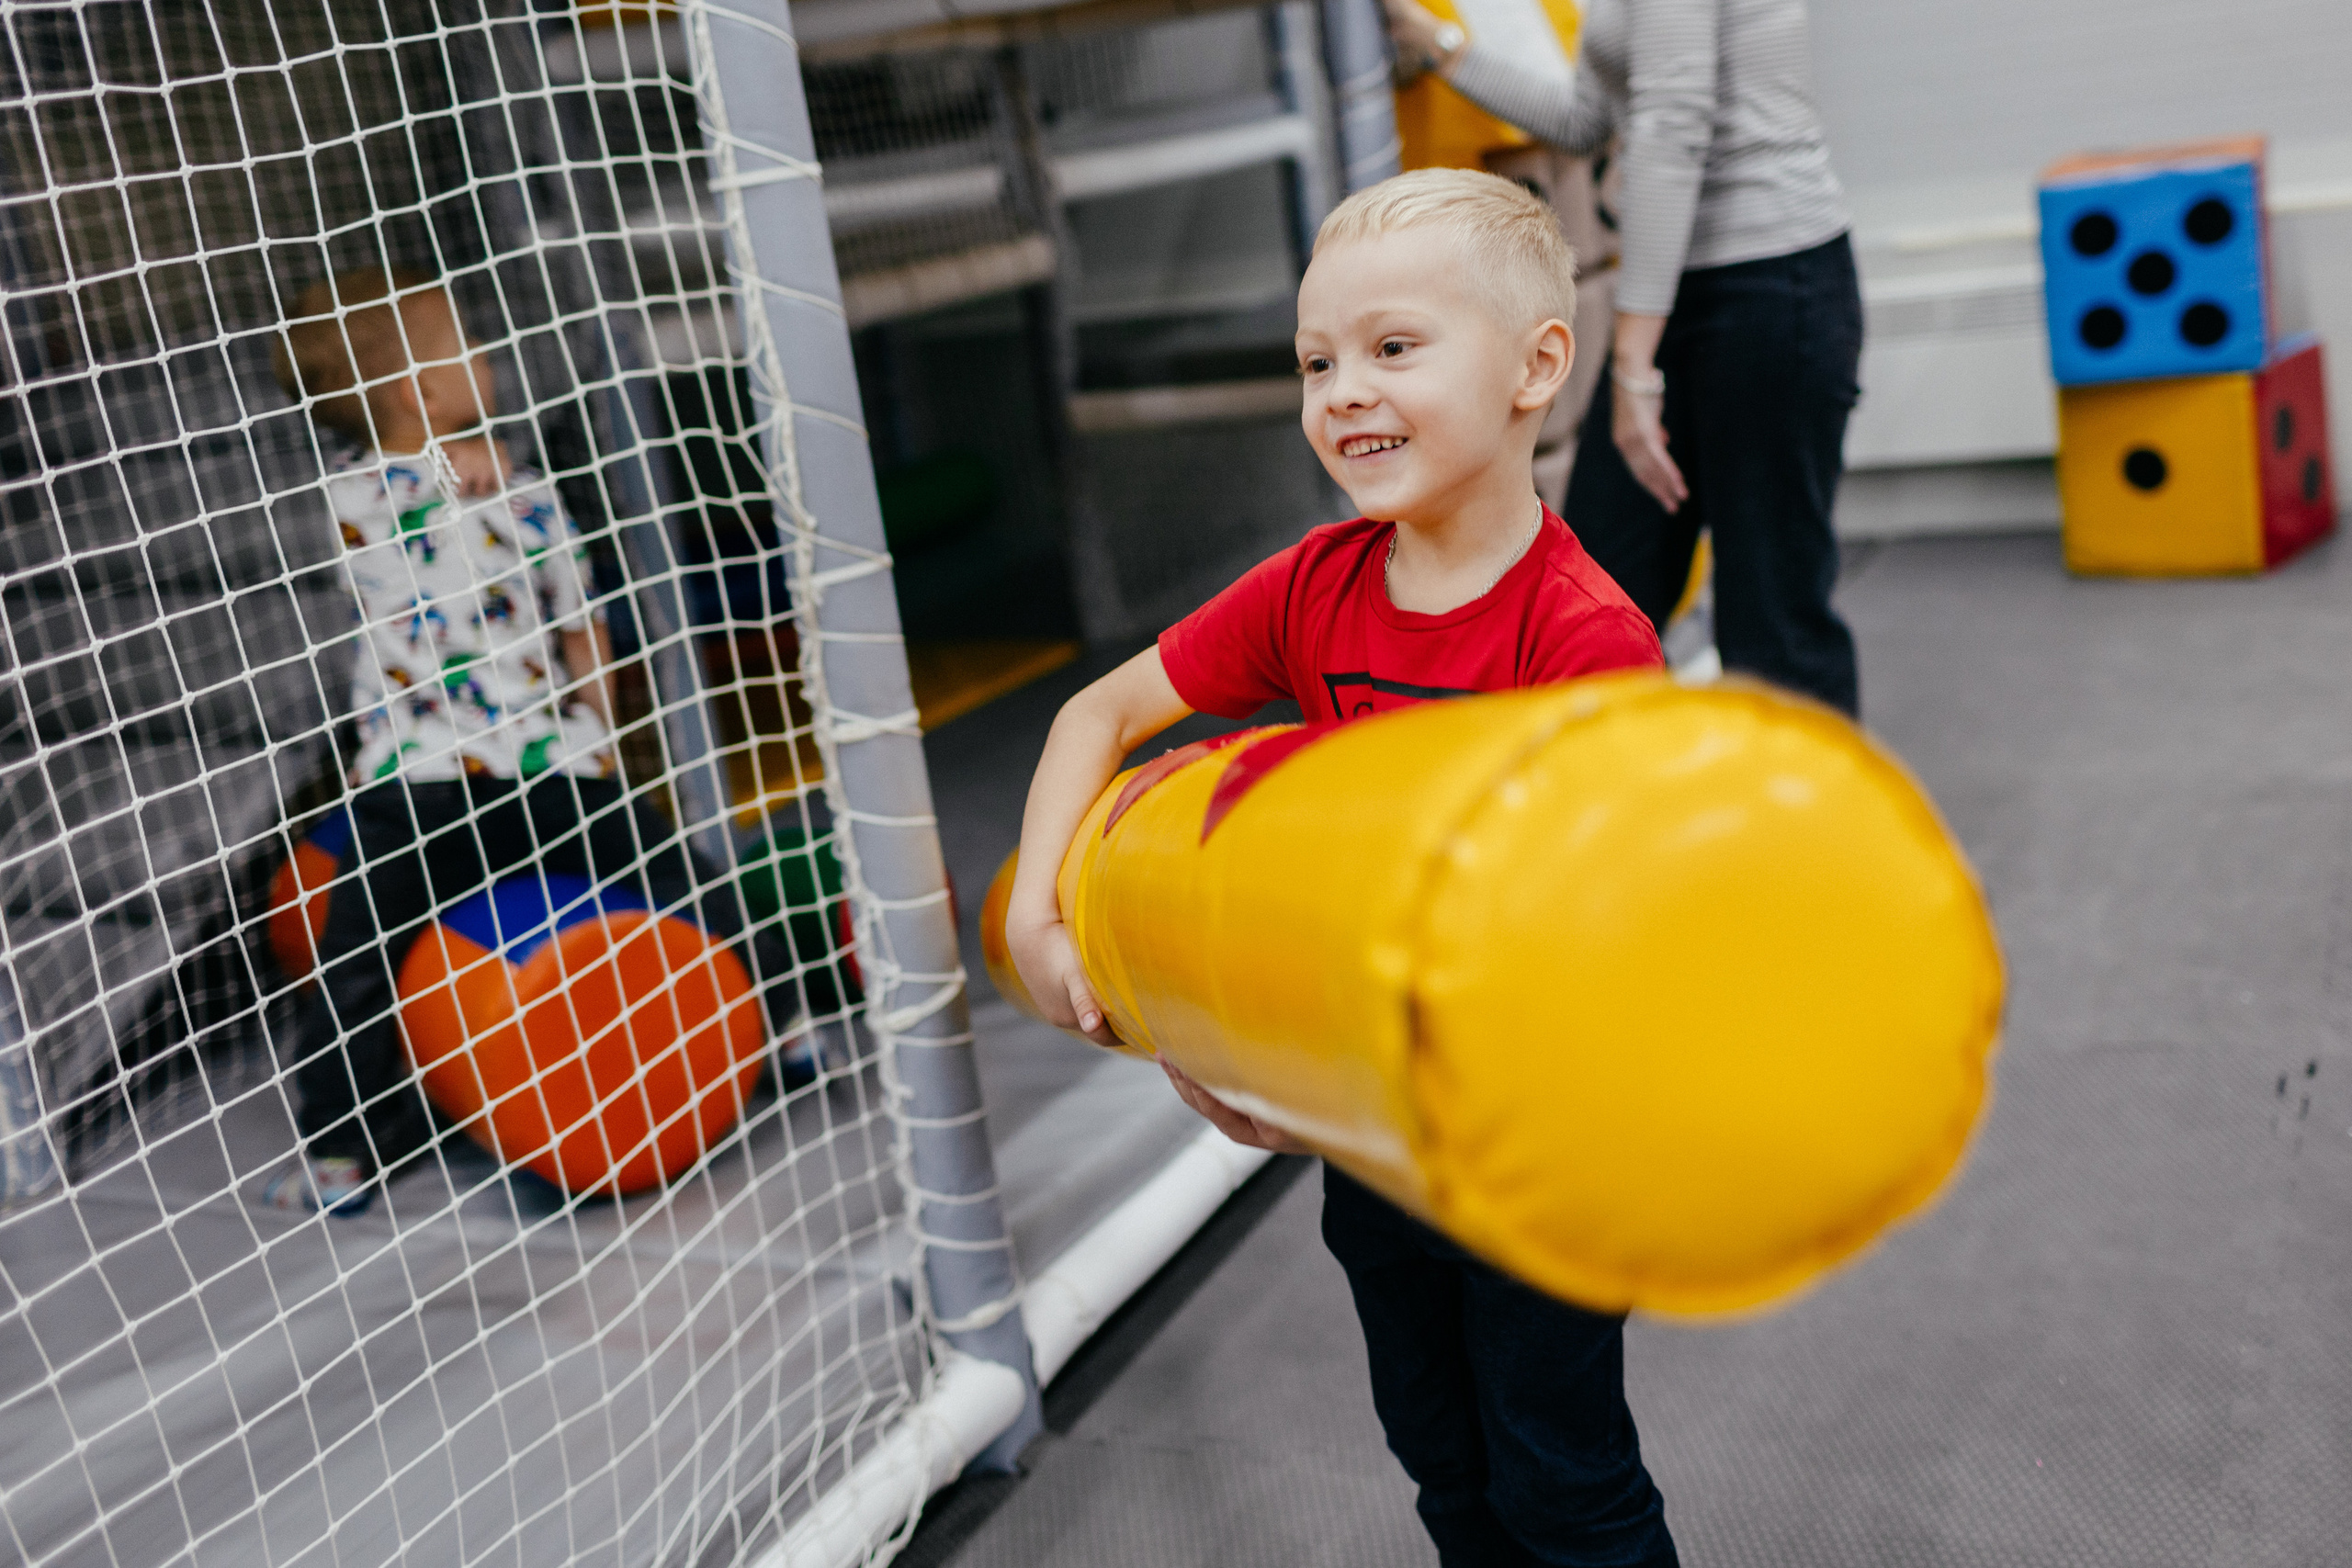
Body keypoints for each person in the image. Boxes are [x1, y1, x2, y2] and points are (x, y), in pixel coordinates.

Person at [1006, 171, 1679, 1567]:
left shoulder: (1584, 641)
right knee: (1444, 1456)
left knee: (1564, 1474)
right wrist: (1037, 907)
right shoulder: (1316, 585)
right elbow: (1099, 714)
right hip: (1380, 1148)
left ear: (1534, 368)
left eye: (1393, 348)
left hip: (1531, 1147)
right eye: (1316, 361)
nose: (1342, 392)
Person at [261, 267, 790, 1215]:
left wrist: (592, 724)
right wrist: (597, 720)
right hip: (490, 780)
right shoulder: (433, 492)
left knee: (367, 958)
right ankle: (346, 1140)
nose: (490, 357)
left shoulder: (449, 494)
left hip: (446, 790)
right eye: (468, 344)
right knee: (368, 955)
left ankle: (777, 1019)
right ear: (423, 388)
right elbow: (584, 634)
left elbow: (581, 622)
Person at [1385, 0, 1863, 715]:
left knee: (1772, 625)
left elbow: (1675, 126)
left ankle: (1820, 824)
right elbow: (1587, 121)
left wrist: (1635, 369)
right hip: (1685, 296)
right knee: (1597, 594)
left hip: (1769, 284)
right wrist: (1444, 49)